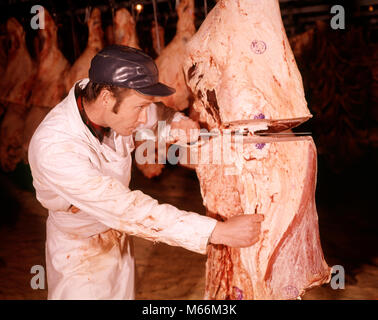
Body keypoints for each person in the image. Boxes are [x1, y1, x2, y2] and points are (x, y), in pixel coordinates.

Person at [28, 45, 264, 299]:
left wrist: (176, 122)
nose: (144, 117)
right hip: (78, 248)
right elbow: (127, 209)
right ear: (106, 98)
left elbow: (156, 113)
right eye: (139, 107)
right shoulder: (55, 147)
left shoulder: (111, 102)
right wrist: (218, 232)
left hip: (118, 237)